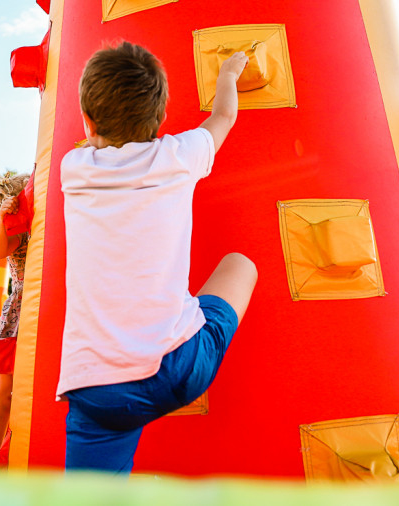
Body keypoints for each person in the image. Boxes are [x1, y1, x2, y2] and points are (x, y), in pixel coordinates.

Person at [58, 42, 258, 474]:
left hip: (98, 388)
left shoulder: (72, 169)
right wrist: (227, 75)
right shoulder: (179, 157)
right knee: (241, 264)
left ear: (88, 119)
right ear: (162, 117)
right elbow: (223, 117)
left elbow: (98, 140)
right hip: (176, 367)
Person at [0, 171, 31, 452]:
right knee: (6, 394)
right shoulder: (17, 229)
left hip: (45, 311)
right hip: (19, 319)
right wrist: (2, 218)